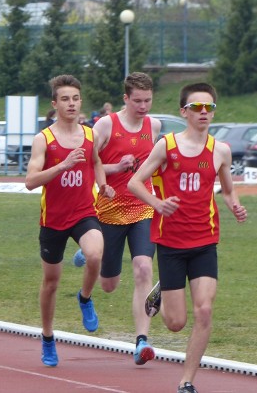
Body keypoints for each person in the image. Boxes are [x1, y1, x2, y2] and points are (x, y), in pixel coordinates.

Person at [128, 82, 247, 393]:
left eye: (209, 107)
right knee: (176, 323)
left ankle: (186, 381)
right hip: (170, 242)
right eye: (197, 107)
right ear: (184, 112)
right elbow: (135, 182)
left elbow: (228, 189)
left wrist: (235, 206)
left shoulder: (220, 150)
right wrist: (158, 204)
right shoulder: (166, 145)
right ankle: (161, 296)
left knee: (204, 310)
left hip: (205, 240)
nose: (204, 112)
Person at [25, 74, 115, 367]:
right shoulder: (45, 139)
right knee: (51, 282)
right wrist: (62, 165)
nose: (72, 104)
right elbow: (30, 181)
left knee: (95, 254)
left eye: (75, 98)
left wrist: (102, 184)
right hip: (53, 219)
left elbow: (97, 163)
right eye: (65, 99)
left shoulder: (90, 136)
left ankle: (85, 298)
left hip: (83, 212)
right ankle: (48, 337)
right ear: (55, 104)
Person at [88, 72, 162, 365]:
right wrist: (116, 168)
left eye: (148, 101)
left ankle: (142, 341)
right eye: (137, 101)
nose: (143, 107)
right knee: (108, 284)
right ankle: (89, 252)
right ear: (126, 99)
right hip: (109, 209)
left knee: (144, 268)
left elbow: (156, 164)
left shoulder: (153, 126)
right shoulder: (106, 125)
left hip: (143, 207)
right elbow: (89, 162)